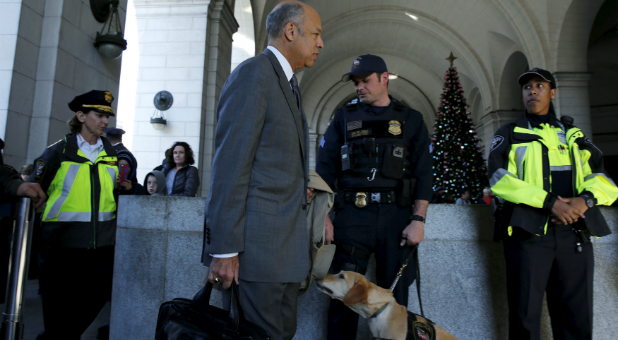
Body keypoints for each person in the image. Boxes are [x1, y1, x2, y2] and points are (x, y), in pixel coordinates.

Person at [202, 1, 323, 339]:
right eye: (316, 34)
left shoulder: (289, 85)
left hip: (283, 254)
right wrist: (224, 250)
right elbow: (230, 165)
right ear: (290, 31)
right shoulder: (255, 73)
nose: (320, 43)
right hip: (256, 256)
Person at [488, 68, 618, 340]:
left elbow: (605, 180)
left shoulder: (574, 136)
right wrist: (550, 204)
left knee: (576, 320)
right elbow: (499, 178)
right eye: (527, 87)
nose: (532, 91)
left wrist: (585, 200)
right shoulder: (509, 133)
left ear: (553, 93)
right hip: (528, 236)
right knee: (525, 319)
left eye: (539, 86)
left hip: (574, 236)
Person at [315, 54, 432, 340]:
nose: (359, 87)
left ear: (384, 78)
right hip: (353, 217)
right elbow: (325, 170)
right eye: (356, 82)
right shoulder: (343, 118)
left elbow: (425, 173)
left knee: (397, 296)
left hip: (396, 218)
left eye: (365, 80)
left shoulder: (411, 119)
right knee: (342, 296)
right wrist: (323, 218)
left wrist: (418, 220)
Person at [31, 90, 119, 340]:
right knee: (58, 310)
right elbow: (35, 188)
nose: (104, 121)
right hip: (60, 246)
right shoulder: (57, 152)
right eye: (98, 115)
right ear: (81, 116)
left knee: (98, 296)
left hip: (100, 245)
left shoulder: (111, 155)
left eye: (107, 116)